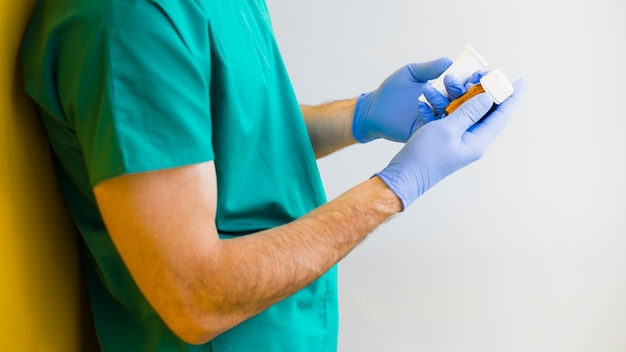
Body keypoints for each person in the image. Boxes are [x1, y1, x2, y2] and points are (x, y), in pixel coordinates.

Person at [21, 0, 525, 351]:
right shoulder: (130, 23)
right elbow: (198, 295)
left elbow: (230, 132)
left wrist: (362, 115)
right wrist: (393, 189)